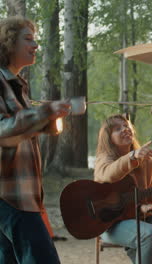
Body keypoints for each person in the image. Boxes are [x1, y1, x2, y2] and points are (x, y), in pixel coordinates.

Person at [0, 16, 71, 263]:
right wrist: (45, 112)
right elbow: (2, 131)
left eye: (35, 39)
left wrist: (51, 121)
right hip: (10, 195)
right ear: (8, 44)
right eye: (28, 39)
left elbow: (20, 131)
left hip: (23, 195)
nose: (36, 45)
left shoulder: (18, 84)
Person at [94, 114, 152, 264]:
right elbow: (108, 175)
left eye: (126, 126)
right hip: (112, 224)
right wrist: (132, 157)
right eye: (117, 128)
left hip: (143, 218)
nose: (125, 129)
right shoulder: (104, 159)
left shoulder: (146, 162)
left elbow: (147, 196)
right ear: (109, 138)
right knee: (150, 234)